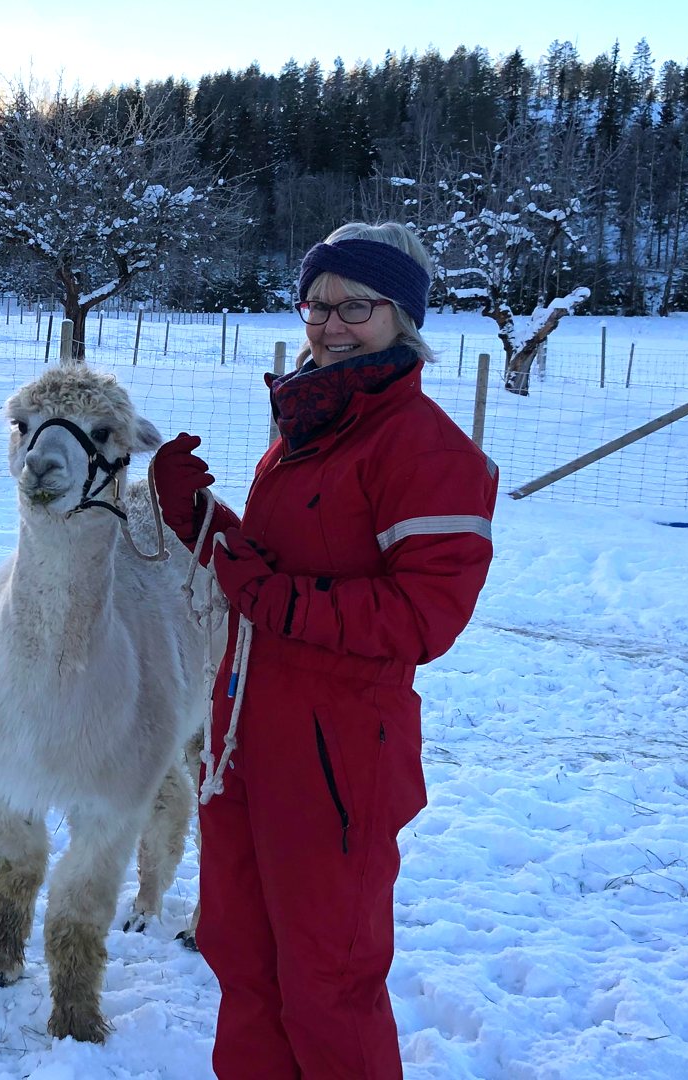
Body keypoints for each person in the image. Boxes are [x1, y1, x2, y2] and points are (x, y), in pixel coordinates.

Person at [151, 222, 498, 1078]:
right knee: (246, 963)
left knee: (326, 983)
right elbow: (267, 575)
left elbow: (424, 616)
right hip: (244, 738)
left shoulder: (426, 450)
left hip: (339, 757)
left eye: (356, 305)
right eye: (317, 304)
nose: (331, 324)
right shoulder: (308, 427)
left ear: (403, 317)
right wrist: (202, 521)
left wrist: (271, 596)